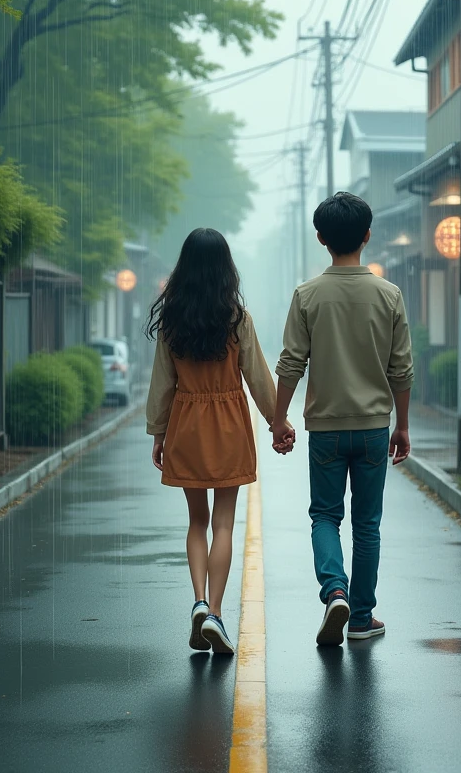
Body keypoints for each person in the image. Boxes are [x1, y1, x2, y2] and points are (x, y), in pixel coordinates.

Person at [271, 192, 413, 646]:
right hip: (373, 428)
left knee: (325, 517)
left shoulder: (307, 295)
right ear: (367, 237)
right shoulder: (388, 295)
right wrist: (402, 426)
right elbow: (402, 369)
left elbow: (291, 363)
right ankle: (361, 617)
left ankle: (335, 591)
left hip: (326, 430)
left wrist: (279, 421)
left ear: (321, 238)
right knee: (367, 524)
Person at [145, 228, 278, 656]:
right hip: (228, 425)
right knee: (224, 522)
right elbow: (257, 376)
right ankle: (216, 612)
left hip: (186, 422)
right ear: (225, 269)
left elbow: (162, 384)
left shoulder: (172, 320)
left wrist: (159, 433)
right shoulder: (237, 320)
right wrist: (279, 422)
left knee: (196, 522)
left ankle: (199, 602)